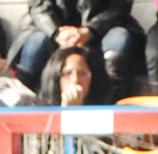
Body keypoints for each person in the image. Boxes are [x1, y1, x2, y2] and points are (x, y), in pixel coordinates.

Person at [9, 0, 145, 97]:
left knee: (119, 39)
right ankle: (24, 104)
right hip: (54, 30)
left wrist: (90, 30)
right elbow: (38, 7)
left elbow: (120, 6)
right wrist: (57, 33)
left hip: (102, 29)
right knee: (36, 43)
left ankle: (112, 102)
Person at [36, 41, 113, 106]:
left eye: (82, 73)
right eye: (67, 73)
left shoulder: (108, 109)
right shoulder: (38, 111)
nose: (75, 79)